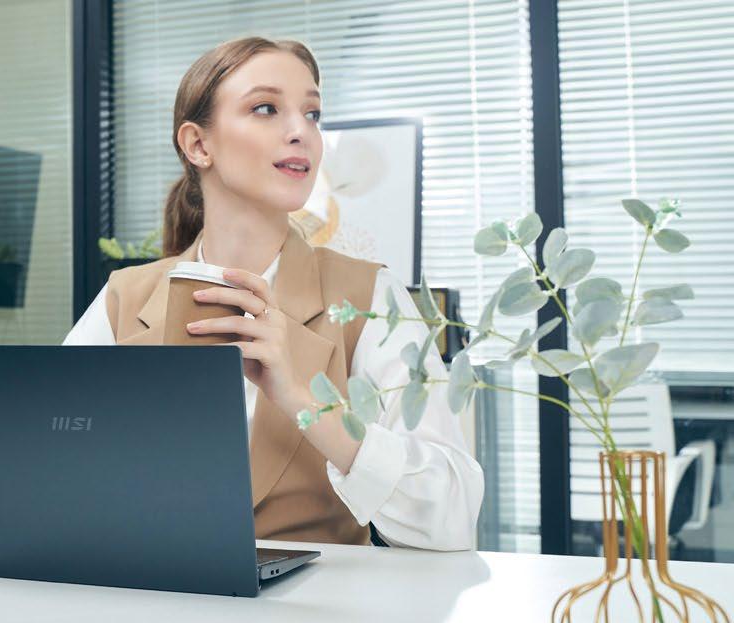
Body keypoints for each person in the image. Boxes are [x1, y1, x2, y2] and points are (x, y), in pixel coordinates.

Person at [63, 37, 483, 550]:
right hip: (149, 589)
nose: (301, 131)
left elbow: (452, 517)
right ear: (198, 145)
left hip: (322, 600)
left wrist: (303, 399)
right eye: (266, 108)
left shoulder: (369, 296)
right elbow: (49, 458)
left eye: (312, 114)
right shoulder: (125, 297)